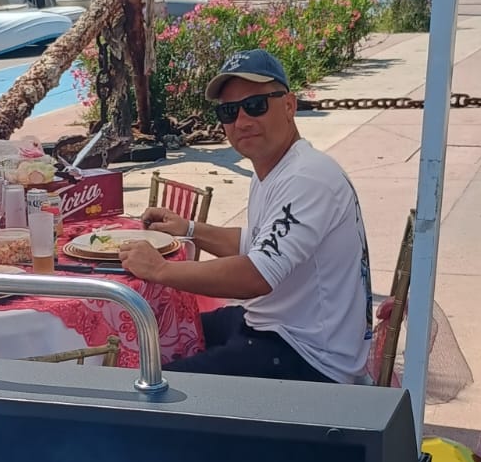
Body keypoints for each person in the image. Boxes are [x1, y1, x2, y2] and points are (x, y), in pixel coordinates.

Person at [118, 49, 373, 383]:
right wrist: (189, 229)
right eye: (229, 111)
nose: (241, 121)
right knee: (157, 328)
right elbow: (256, 245)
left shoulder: (307, 178)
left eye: (255, 105)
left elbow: (255, 276)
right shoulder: (276, 168)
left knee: (148, 384)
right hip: (276, 328)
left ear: (289, 105)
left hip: (309, 359)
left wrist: (160, 269)